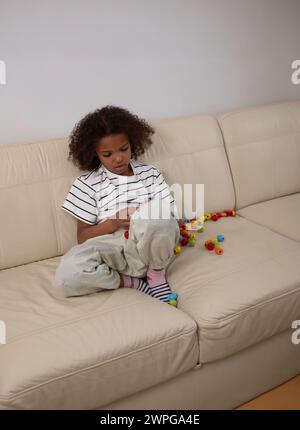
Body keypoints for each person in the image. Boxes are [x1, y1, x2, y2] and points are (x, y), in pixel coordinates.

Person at [55, 105, 180, 303]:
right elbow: (82, 237)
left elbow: (172, 219)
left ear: (132, 143)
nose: (118, 158)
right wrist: (113, 222)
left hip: (148, 242)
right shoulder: (86, 184)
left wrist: (145, 212)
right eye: (107, 154)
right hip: (112, 248)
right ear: (95, 153)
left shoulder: (150, 173)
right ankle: (131, 282)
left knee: (157, 213)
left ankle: (156, 274)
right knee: (68, 271)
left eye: (124, 149)